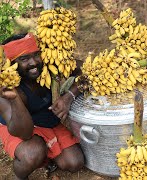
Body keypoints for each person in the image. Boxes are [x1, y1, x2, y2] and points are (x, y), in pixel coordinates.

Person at [0, 33, 84, 180]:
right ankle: (20, 176)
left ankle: (45, 158)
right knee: (33, 153)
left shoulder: (50, 68)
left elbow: (87, 70)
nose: (33, 63)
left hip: (46, 120)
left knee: (74, 162)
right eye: (24, 59)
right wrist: (16, 100)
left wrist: (69, 96)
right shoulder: (6, 88)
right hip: (18, 126)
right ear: (11, 63)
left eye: (36, 55)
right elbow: (24, 134)